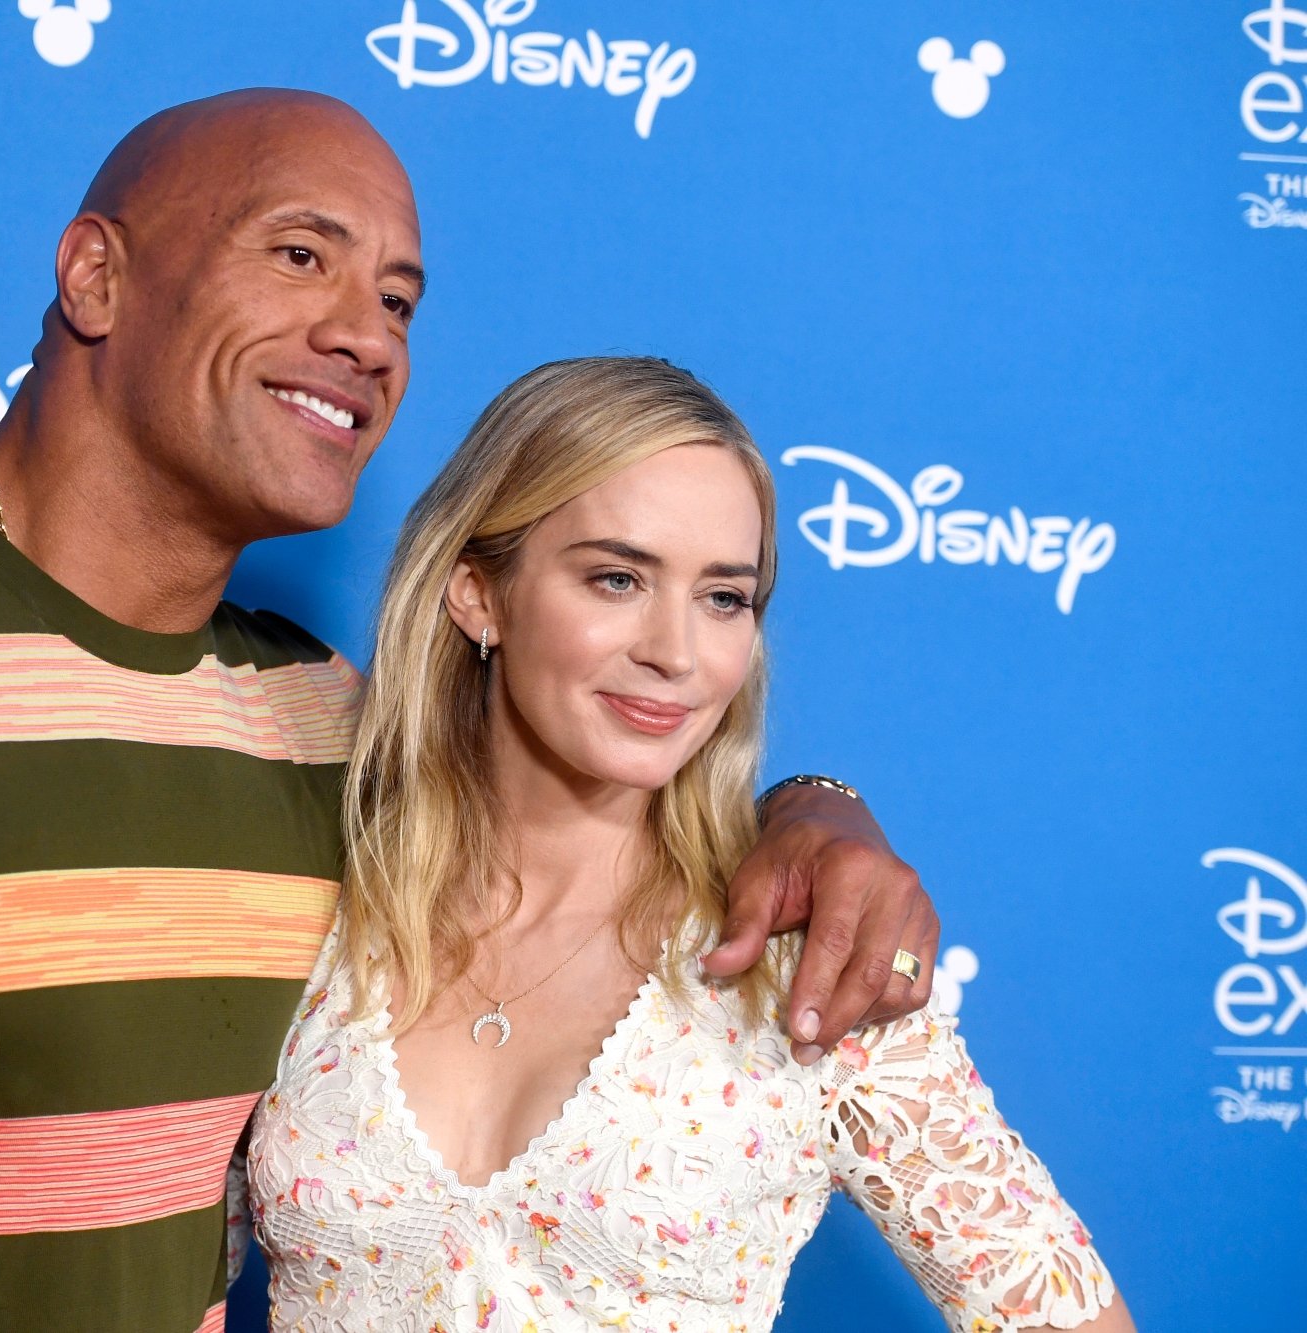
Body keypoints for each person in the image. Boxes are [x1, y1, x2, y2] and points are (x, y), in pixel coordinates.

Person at [0, 93, 936, 1333]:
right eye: (299, 255)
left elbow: (592, 790)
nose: (367, 334)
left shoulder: (319, 725)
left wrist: (814, 812)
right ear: (95, 278)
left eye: (396, 299)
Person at [248, 356, 1133, 1332]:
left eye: (723, 598)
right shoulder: (309, 899)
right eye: (617, 578)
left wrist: (821, 803)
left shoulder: (806, 963)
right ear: (476, 593)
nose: (674, 652)